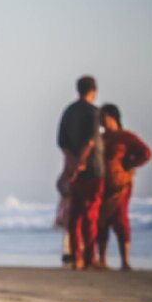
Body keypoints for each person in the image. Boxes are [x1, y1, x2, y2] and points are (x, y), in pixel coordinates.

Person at [96, 104, 152, 270]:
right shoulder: (101, 138)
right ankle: (103, 260)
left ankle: (125, 261)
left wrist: (129, 164)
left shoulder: (126, 137)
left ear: (113, 117)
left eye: (104, 117)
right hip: (104, 186)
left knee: (120, 220)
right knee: (102, 223)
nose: (101, 121)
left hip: (121, 186)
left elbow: (146, 153)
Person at [57, 76, 104, 270]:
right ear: (93, 91)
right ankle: (89, 257)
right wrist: (82, 162)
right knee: (90, 215)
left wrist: (72, 164)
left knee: (75, 216)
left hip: (72, 171)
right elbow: (91, 141)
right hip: (92, 169)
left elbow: (63, 143)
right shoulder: (94, 112)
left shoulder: (68, 112)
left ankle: (77, 258)